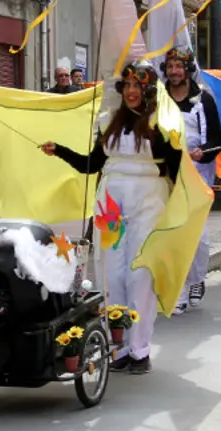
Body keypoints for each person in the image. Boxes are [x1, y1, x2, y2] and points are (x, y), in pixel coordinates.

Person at [40, 61, 181, 374]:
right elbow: (91, 164)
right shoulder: (110, 124)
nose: (131, 92)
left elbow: (177, 164)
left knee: (139, 274)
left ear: (148, 90)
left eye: (137, 86)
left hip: (148, 201)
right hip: (110, 203)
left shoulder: (163, 123)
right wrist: (59, 150)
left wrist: (190, 156)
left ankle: (140, 348)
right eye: (127, 85)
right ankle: (118, 347)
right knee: (111, 275)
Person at [162, 49, 221, 313]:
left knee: (195, 233)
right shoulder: (158, 97)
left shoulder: (203, 100)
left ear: (187, 70)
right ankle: (178, 290)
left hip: (197, 171)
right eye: (170, 66)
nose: (174, 71)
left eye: (179, 66)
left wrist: (204, 152)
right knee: (172, 231)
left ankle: (196, 279)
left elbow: (217, 140)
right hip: (165, 172)